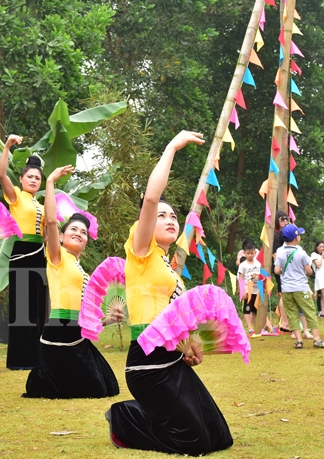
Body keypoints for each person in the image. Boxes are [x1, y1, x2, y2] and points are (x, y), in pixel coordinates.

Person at [107, 131, 233, 454]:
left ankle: (153, 413)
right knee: (196, 443)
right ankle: (124, 417)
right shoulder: (140, 249)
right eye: (162, 215)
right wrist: (171, 147)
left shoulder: (168, 268)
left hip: (173, 360)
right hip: (147, 365)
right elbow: (150, 199)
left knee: (219, 435)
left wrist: (190, 347)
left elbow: (177, 319)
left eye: (173, 216)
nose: (169, 219)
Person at [24, 165, 119, 399]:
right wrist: (51, 182)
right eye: (73, 229)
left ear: (87, 241)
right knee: (96, 389)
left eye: (84, 232)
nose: (79, 233)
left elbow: (85, 315)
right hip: (60, 333)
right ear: (63, 237)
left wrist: (107, 320)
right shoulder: (56, 256)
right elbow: (51, 222)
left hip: (78, 333)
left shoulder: (80, 270)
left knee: (110, 386)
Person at [0, 135, 47, 370]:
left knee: (38, 305)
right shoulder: (16, 196)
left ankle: (37, 356)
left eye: (37, 178)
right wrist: (7, 147)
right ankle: (20, 359)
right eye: (30, 176)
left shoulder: (41, 204)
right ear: (21, 178)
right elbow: (0, 175)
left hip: (40, 254)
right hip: (22, 252)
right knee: (22, 307)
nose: (34, 180)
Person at [274, 224, 324, 349]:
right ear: (296, 238)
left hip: (287, 290)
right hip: (301, 288)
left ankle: (299, 341)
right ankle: (317, 339)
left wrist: (286, 272)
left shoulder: (280, 252)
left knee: (292, 314)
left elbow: (277, 270)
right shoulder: (301, 252)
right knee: (309, 312)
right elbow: (309, 271)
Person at [237, 239, 262, 337]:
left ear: (255, 252)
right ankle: (250, 328)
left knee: (255, 310)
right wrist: (242, 291)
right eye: (248, 253)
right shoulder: (243, 265)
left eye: (252, 253)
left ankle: (257, 328)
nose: (250, 255)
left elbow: (262, 276)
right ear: (244, 253)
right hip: (247, 290)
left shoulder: (258, 264)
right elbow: (241, 278)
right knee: (247, 309)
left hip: (257, 290)